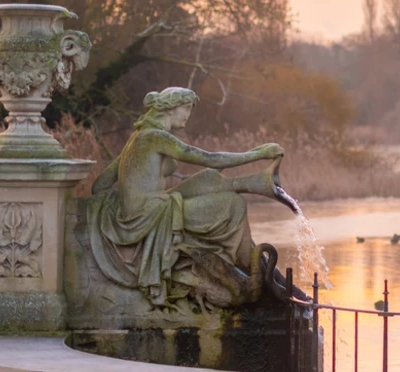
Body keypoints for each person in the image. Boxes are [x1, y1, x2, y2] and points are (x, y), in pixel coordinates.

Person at [87, 87, 284, 307]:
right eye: (186, 107)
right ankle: (249, 263)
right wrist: (258, 153)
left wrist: (122, 201)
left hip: (145, 208)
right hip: (149, 216)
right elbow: (210, 158)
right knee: (233, 205)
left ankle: (251, 183)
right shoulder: (154, 137)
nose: (188, 114)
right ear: (171, 107)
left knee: (207, 178)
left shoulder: (139, 137)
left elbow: (100, 185)